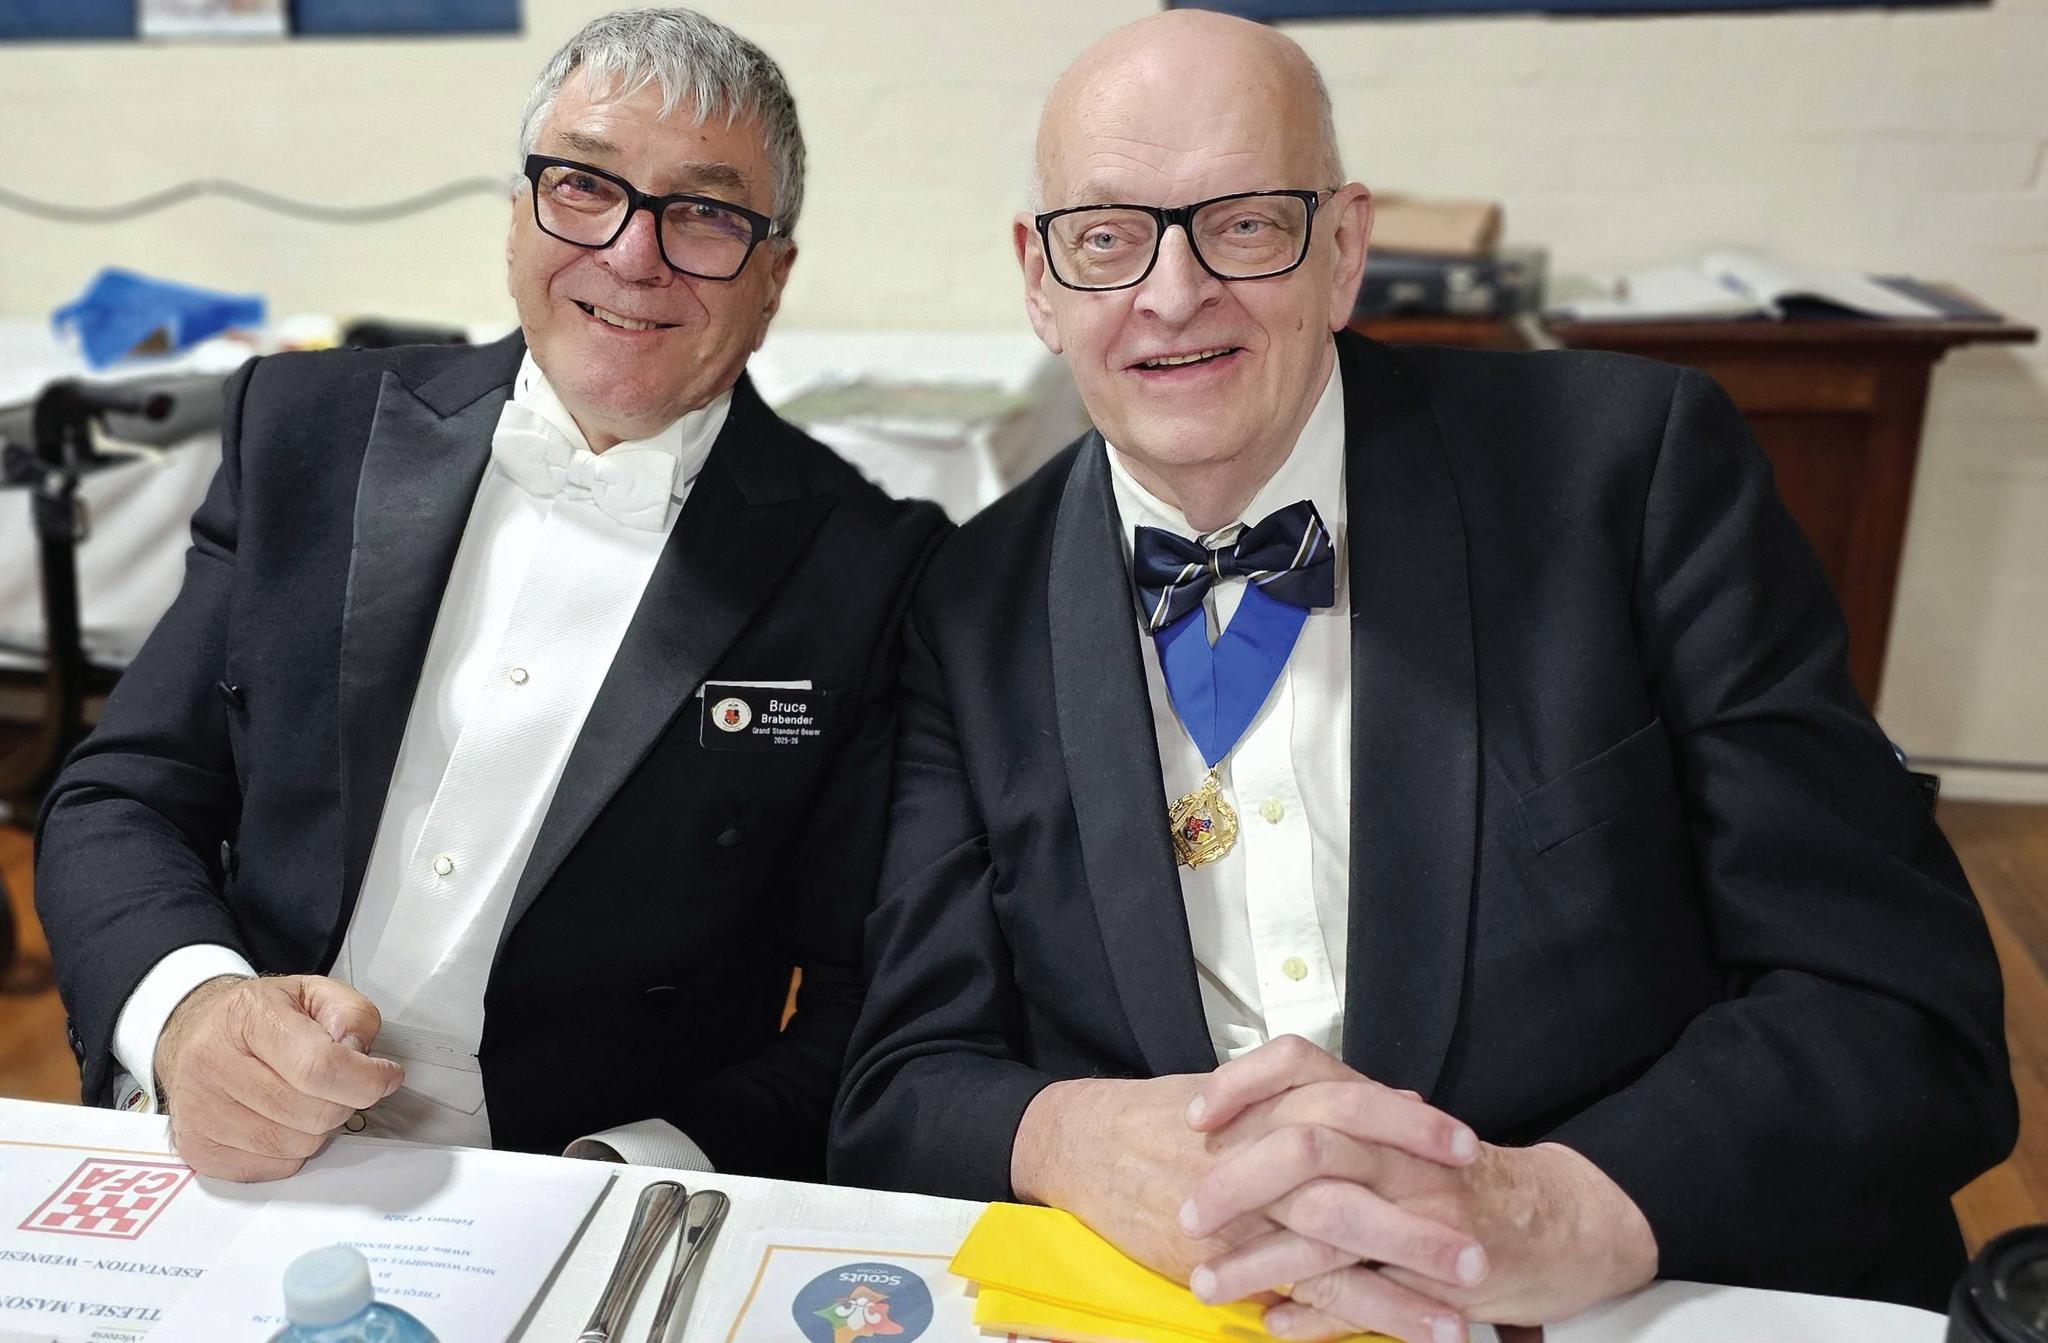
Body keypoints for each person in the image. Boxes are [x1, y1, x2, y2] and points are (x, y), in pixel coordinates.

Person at [831, 10, 2013, 1339]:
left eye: (1243, 223)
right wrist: (1060, 1132)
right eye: (1106, 238)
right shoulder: (964, 605)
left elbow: (1897, 1003)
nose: (1171, 292)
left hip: (1616, 1299)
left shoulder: (1629, 475)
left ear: (1343, 249)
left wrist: (1570, 1208)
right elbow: (898, 1077)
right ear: (1039, 280)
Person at [36, 7, 945, 1183]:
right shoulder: (307, 429)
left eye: (705, 213)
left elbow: (862, 993)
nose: (633, 253)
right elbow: (123, 793)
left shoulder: (871, 568)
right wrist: (192, 1012)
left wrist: (638, 1167)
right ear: (517, 215)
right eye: (585, 185)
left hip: (581, 1183)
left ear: (772, 278)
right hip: (224, 1132)